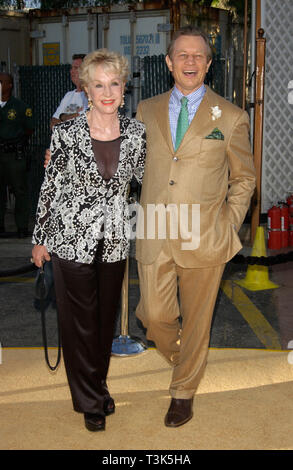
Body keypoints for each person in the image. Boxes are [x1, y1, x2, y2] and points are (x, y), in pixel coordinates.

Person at [135, 27, 256, 427]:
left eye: (198, 56)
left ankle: (183, 391)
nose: (189, 62)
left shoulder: (232, 116)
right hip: (154, 228)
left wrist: (229, 222)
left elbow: (244, 179)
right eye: (181, 55)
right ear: (168, 62)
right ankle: (182, 354)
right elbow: (126, 165)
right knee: (153, 315)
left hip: (205, 233)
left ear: (208, 64)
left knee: (199, 318)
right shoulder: (146, 110)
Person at [32, 49, 146, 432]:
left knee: (102, 321)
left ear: (124, 88)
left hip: (114, 240)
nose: (107, 91)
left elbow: (152, 179)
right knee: (79, 323)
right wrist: (39, 238)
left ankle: (97, 383)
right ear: (86, 90)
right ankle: (90, 402)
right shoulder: (65, 133)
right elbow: (50, 188)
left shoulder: (136, 134)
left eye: (114, 83)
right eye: (98, 84)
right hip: (69, 240)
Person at [0, 72, 35, 238]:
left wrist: (19, 142)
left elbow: (29, 128)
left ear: (9, 85)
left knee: (20, 190)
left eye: (1, 82)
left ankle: (21, 227)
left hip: (13, 154)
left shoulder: (20, 107)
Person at [50, 53, 88, 129]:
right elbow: (53, 123)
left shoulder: (91, 95)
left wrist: (63, 117)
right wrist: (74, 116)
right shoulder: (68, 95)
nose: (72, 71)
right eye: (71, 68)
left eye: (76, 68)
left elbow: (86, 118)